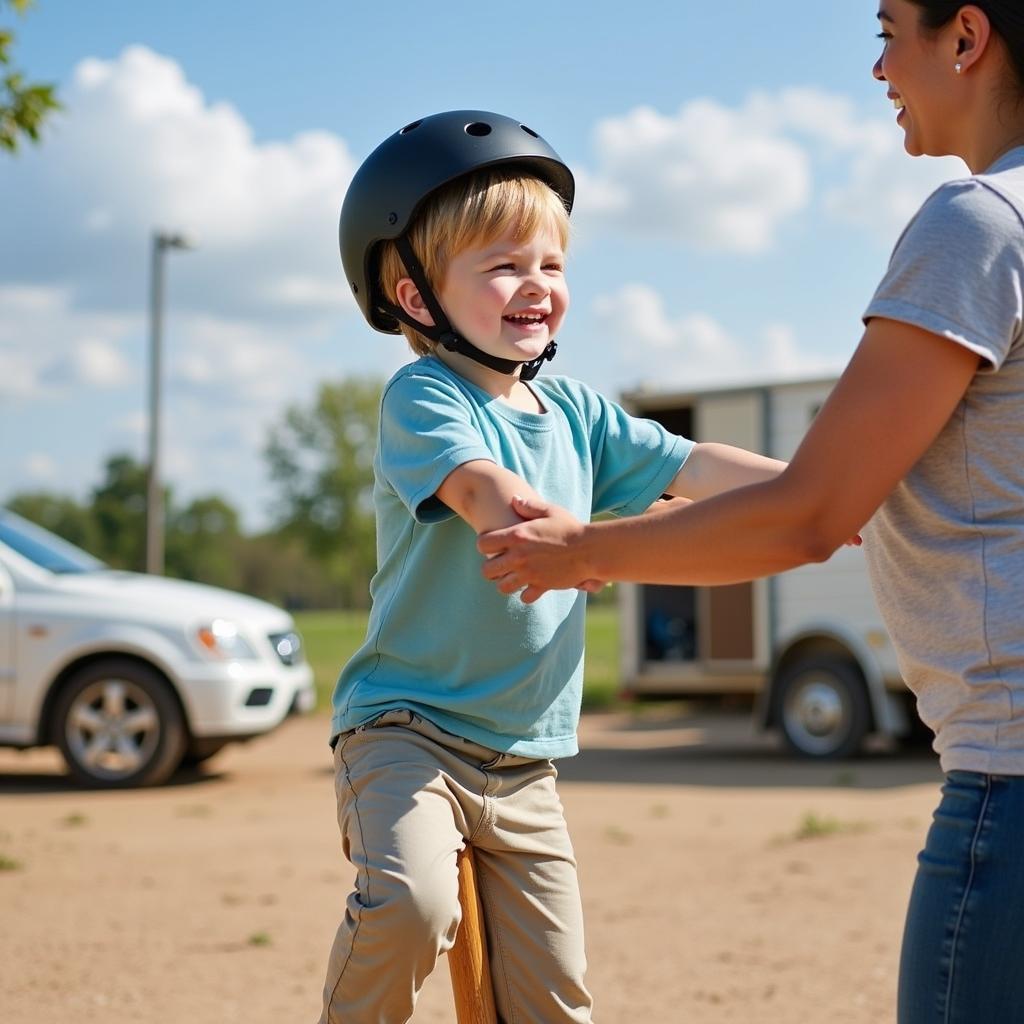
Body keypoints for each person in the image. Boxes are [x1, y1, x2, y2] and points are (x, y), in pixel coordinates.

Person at [477, 4, 1024, 1021]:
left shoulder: (979, 220)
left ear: (965, 37)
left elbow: (806, 517)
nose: (876, 67)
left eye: (890, 29)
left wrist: (580, 551)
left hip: (1010, 776)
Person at [318, 109, 789, 1024]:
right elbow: (486, 495)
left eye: (551, 265)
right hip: (407, 732)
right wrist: (571, 543)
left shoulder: (576, 411)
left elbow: (692, 465)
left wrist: (822, 491)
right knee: (410, 906)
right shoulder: (423, 397)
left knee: (555, 1001)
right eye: (503, 265)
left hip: (525, 763)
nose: (537, 285)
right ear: (417, 297)